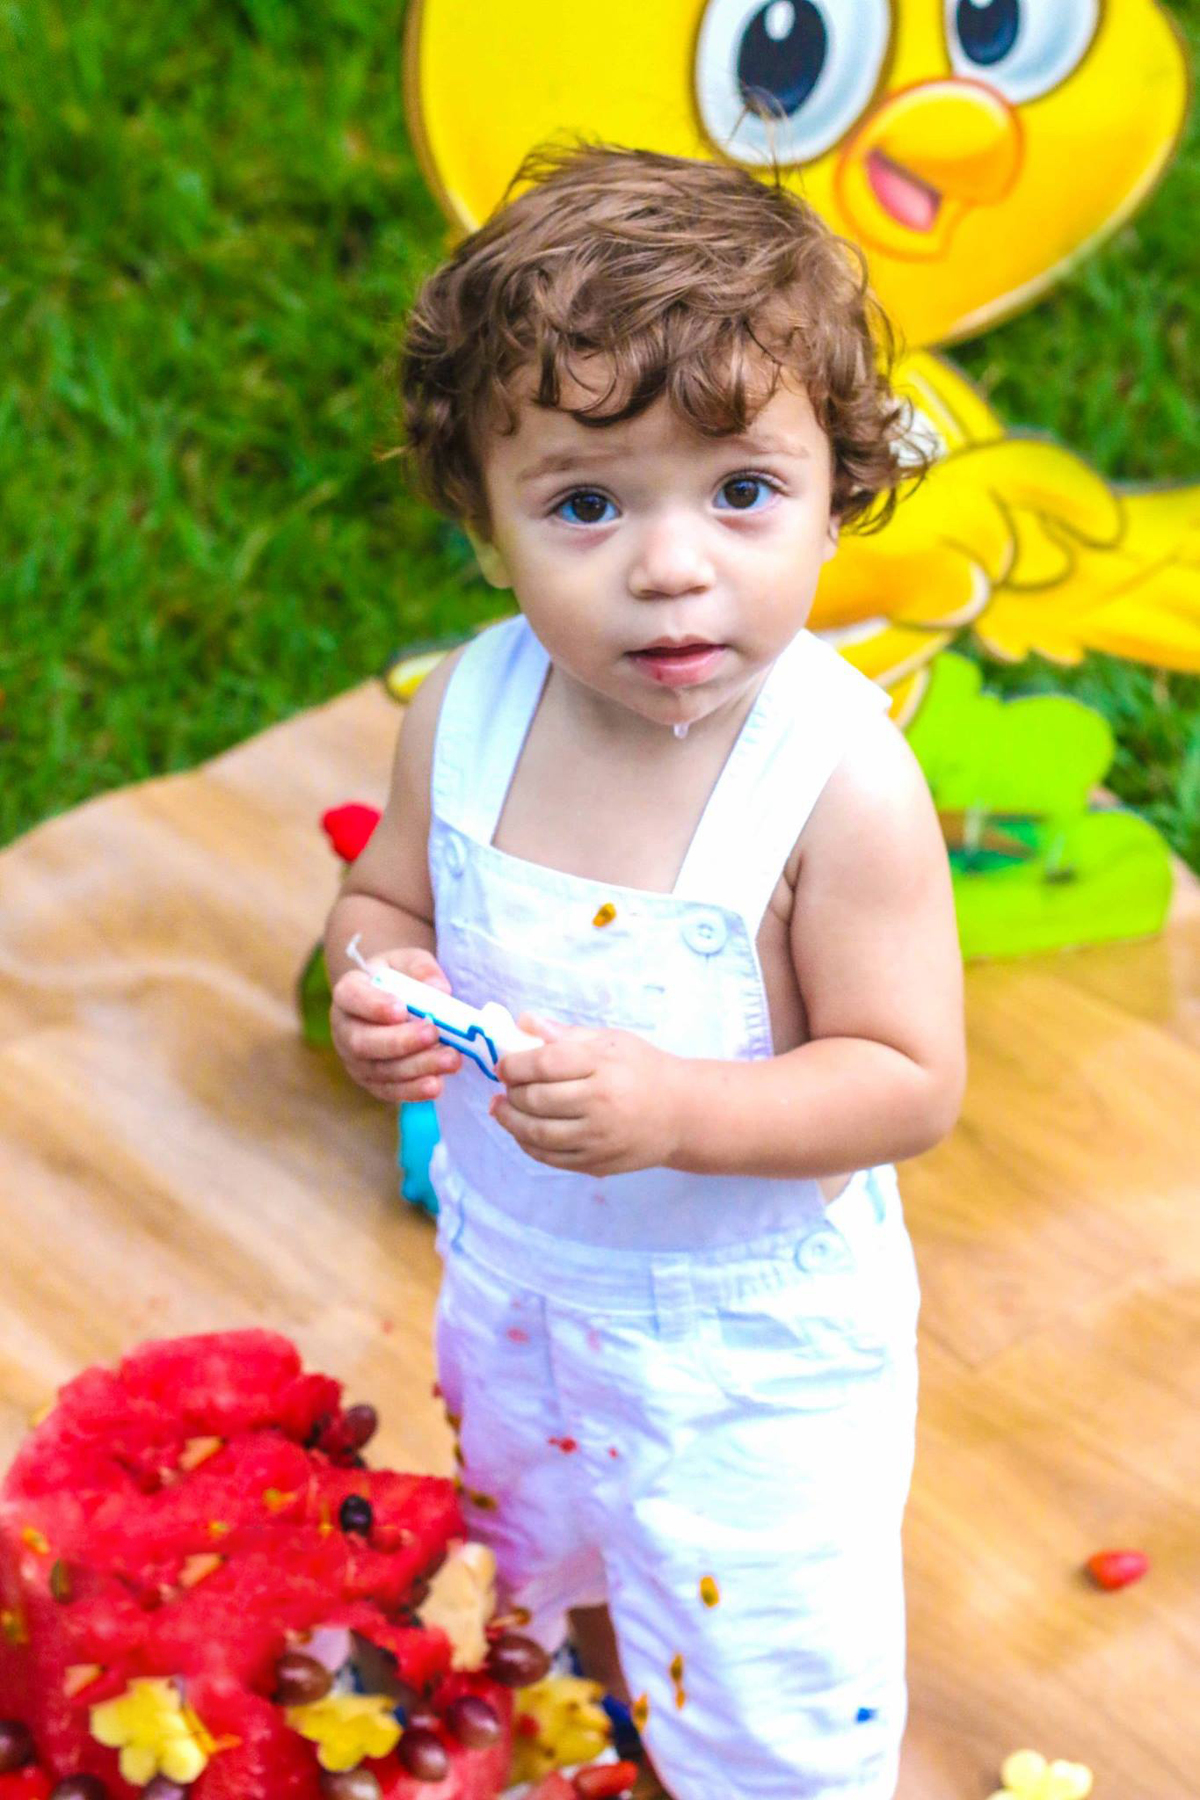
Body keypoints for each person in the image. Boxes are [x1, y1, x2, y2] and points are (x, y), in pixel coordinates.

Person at [325, 141, 965, 1800]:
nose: (671, 566)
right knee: (556, 1585)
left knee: (764, 1677)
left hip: (748, 1356)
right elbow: (385, 896)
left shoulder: (835, 781)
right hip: (517, 1295)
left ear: (839, 494)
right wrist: (375, 986)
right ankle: (605, 1735)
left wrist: (678, 1109)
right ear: (485, 523)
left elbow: (906, 1080)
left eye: (741, 492)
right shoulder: (467, 713)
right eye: (587, 504)